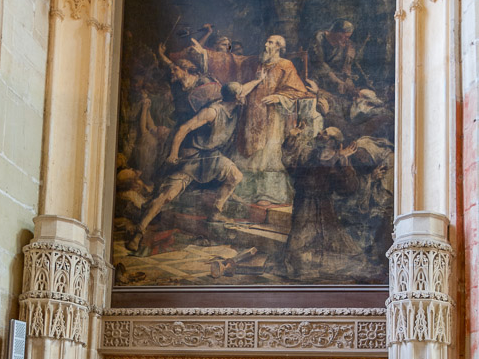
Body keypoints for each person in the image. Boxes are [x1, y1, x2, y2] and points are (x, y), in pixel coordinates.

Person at [126, 81, 260, 252]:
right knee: (167, 195)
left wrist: (259, 79)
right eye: (241, 93)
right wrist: (174, 153)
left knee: (236, 176)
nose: (244, 95)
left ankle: (215, 212)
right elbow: (184, 128)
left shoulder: (234, 104)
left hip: (212, 157)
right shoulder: (212, 112)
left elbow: (245, 88)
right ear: (236, 97)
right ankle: (139, 231)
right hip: (193, 157)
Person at [282, 125, 362, 281]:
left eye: (325, 133)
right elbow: (290, 165)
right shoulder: (309, 153)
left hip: (324, 205)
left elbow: (348, 188)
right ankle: (304, 269)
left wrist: (343, 162)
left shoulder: (339, 159)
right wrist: (291, 138)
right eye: (321, 131)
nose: (319, 133)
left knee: (326, 239)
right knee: (300, 241)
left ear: (332, 141)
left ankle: (320, 270)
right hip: (303, 203)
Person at [308, 19, 370, 97]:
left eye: (348, 37)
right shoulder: (319, 37)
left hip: (335, 76)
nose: (346, 39)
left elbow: (347, 65)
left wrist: (346, 79)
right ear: (337, 32)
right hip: (318, 75)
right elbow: (318, 63)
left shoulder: (344, 43)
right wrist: (337, 80)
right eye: (346, 36)